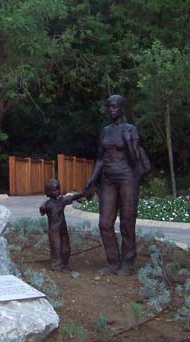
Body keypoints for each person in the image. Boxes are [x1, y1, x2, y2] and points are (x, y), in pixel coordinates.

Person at [84, 95, 142, 276]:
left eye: (115, 106)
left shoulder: (131, 129)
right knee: (105, 223)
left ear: (123, 108)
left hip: (127, 179)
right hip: (108, 180)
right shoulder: (105, 131)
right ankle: (113, 261)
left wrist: (129, 142)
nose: (111, 110)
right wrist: (93, 178)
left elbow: (135, 161)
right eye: (109, 106)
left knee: (127, 222)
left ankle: (127, 262)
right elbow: (100, 158)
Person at [40, 179, 87, 271]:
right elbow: (42, 210)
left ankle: (64, 263)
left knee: (66, 247)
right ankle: (56, 265)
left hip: (63, 228)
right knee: (56, 247)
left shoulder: (62, 201)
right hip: (54, 230)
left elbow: (72, 197)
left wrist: (82, 194)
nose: (57, 191)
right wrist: (42, 208)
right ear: (48, 192)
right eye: (55, 190)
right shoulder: (47, 204)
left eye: (58, 189)